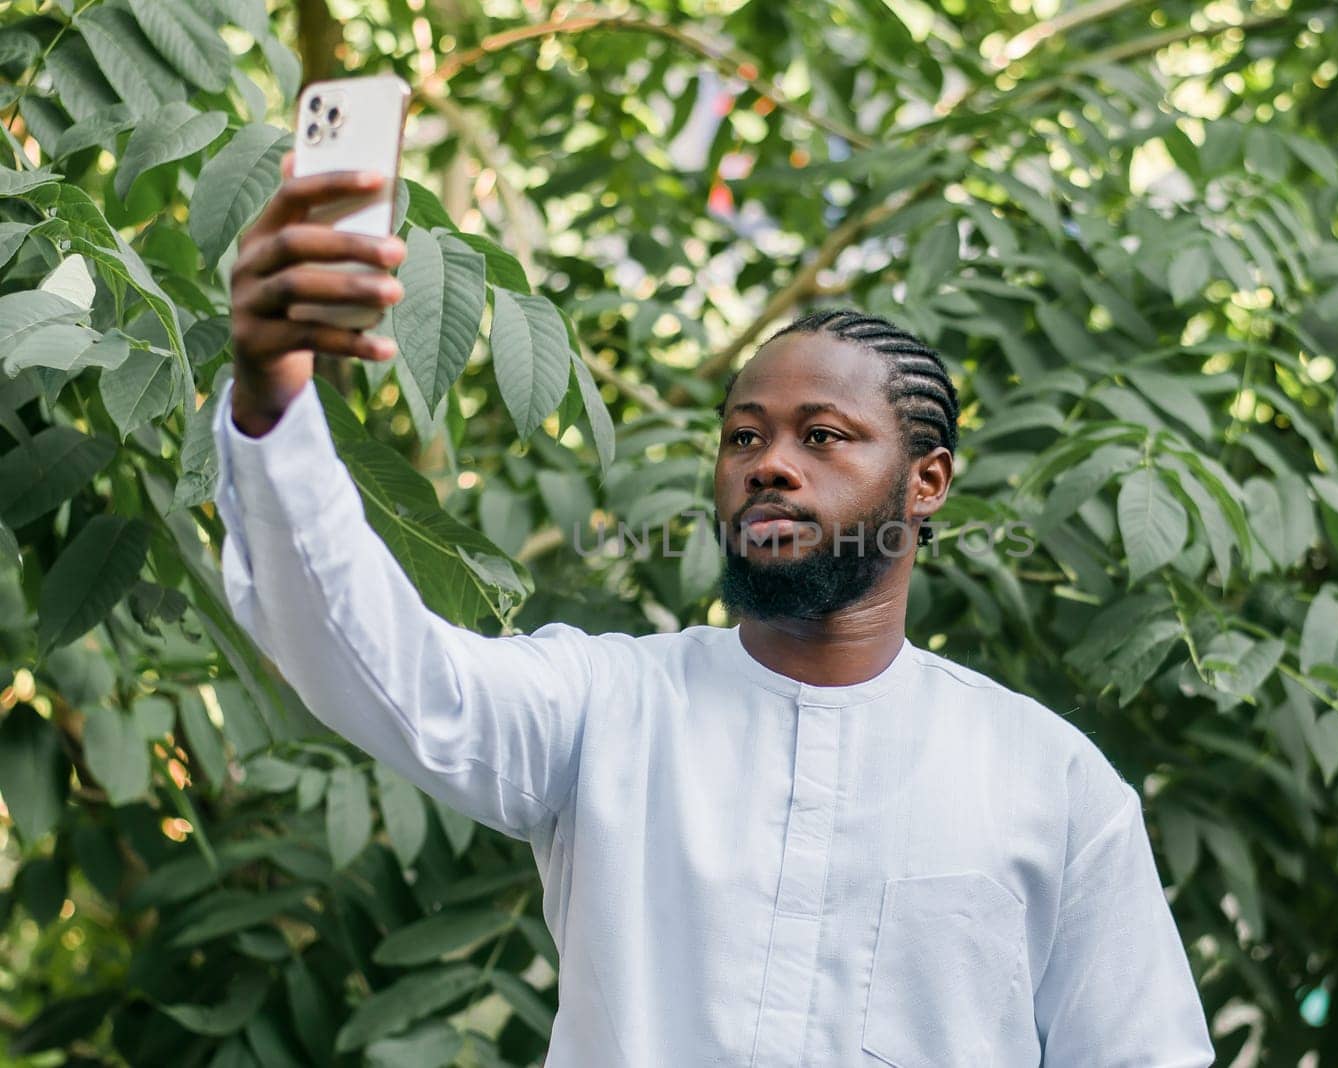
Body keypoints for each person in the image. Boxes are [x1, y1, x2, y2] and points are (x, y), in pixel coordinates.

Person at [214, 157, 1215, 1067]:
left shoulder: (1054, 785)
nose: (769, 463)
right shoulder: (605, 708)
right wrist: (272, 397)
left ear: (927, 482)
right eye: (744, 435)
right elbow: (374, 657)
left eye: (823, 436)